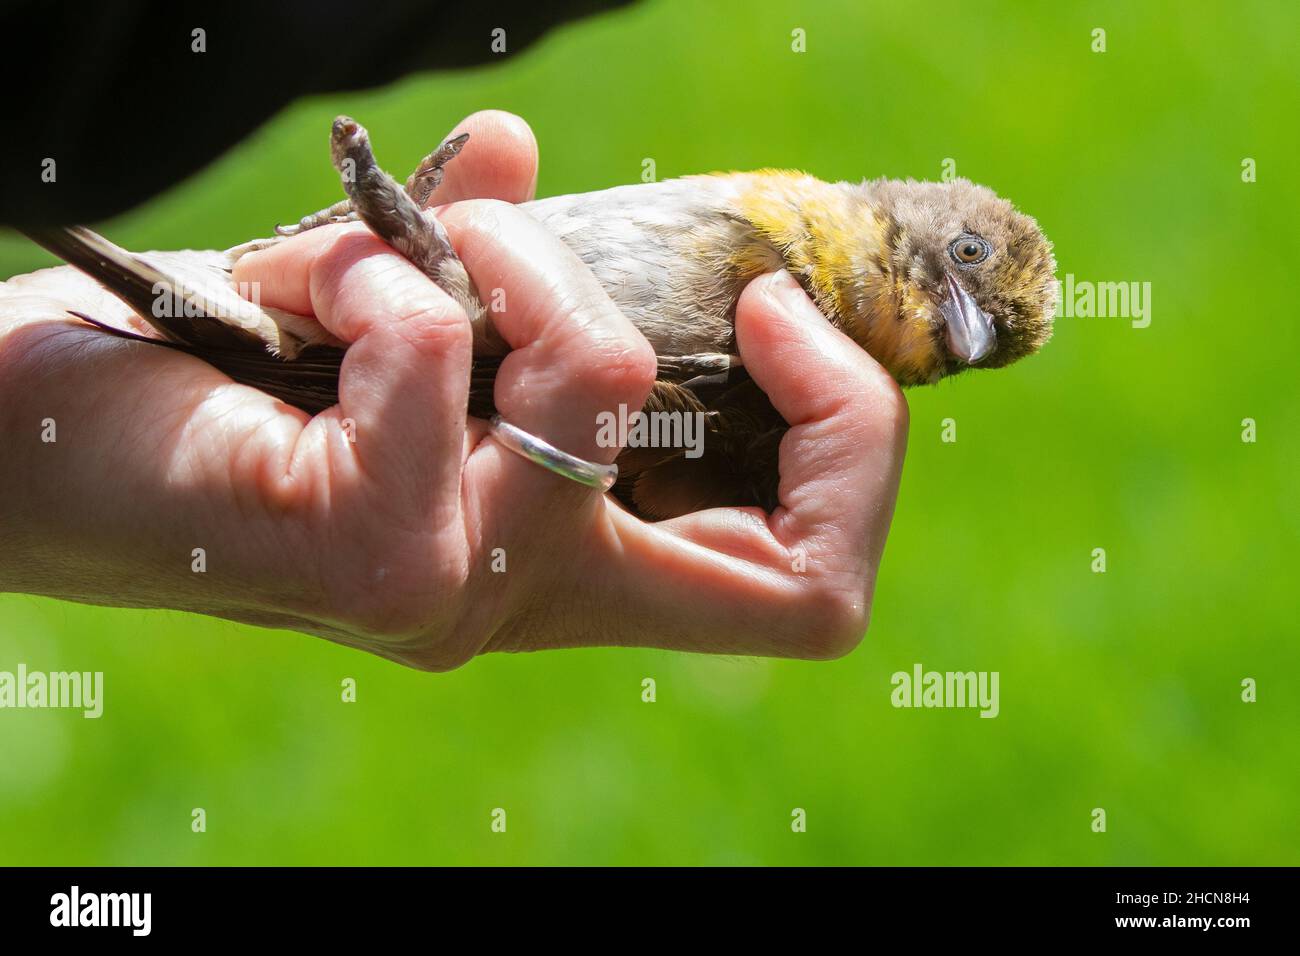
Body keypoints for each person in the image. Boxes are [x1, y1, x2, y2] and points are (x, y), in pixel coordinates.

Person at [0, 8, 908, 670]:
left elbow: (478, 379)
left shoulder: (757, 397)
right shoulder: (796, 233)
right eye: (967, 262)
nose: (952, 325)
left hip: (352, 355)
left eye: (962, 352)